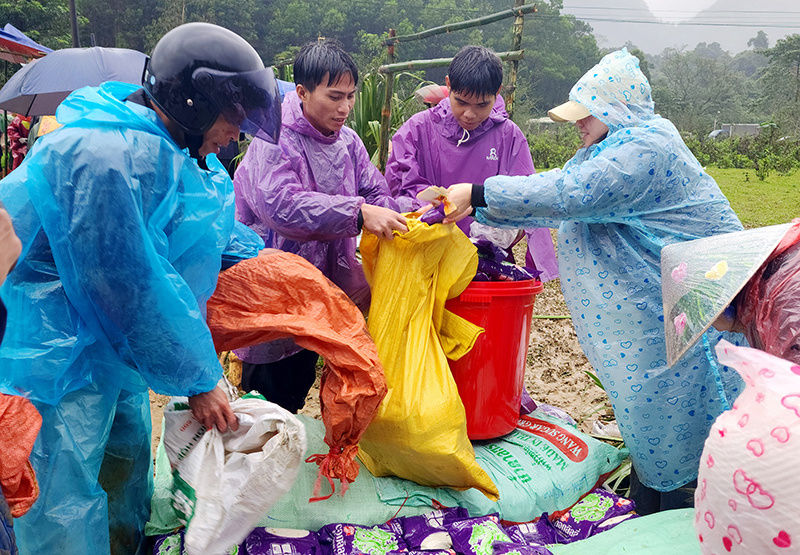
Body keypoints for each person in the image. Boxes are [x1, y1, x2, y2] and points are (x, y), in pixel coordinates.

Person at [0, 22, 281, 554]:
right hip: (51, 350)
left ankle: (124, 544)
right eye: (233, 114)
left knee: (123, 458)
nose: (238, 131)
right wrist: (198, 378)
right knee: (62, 493)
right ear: (194, 101)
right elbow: (125, 282)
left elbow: (197, 228)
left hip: (105, 344)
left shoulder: (172, 148)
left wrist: (271, 267)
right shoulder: (101, 154)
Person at [443, 49, 744, 514]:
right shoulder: (611, 147)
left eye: (587, 115)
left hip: (699, 309)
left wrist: (479, 193)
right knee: (653, 409)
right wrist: (486, 204)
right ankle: (659, 497)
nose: (579, 125)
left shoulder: (645, 149)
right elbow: (562, 187)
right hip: (666, 303)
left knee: (683, 407)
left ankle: (684, 507)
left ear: (615, 111)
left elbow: (571, 194)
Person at [233, 38, 412, 413]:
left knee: (303, 386)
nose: (345, 107)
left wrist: (411, 215)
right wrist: (359, 214)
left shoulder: (348, 142)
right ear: (302, 92)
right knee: (266, 402)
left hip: (326, 287)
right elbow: (280, 206)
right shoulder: (274, 138)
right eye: (334, 96)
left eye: (350, 96)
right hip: (275, 289)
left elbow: (375, 191)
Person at [385, 45, 557, 280]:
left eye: (481, 105)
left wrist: (497, 234)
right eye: (461, 102)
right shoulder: (417, 129)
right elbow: (397, 190)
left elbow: (526, 200)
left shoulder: (509, 136)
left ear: (497, 92)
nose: (469, 114)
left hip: (488, 263)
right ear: (449, 85)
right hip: (423, 257)